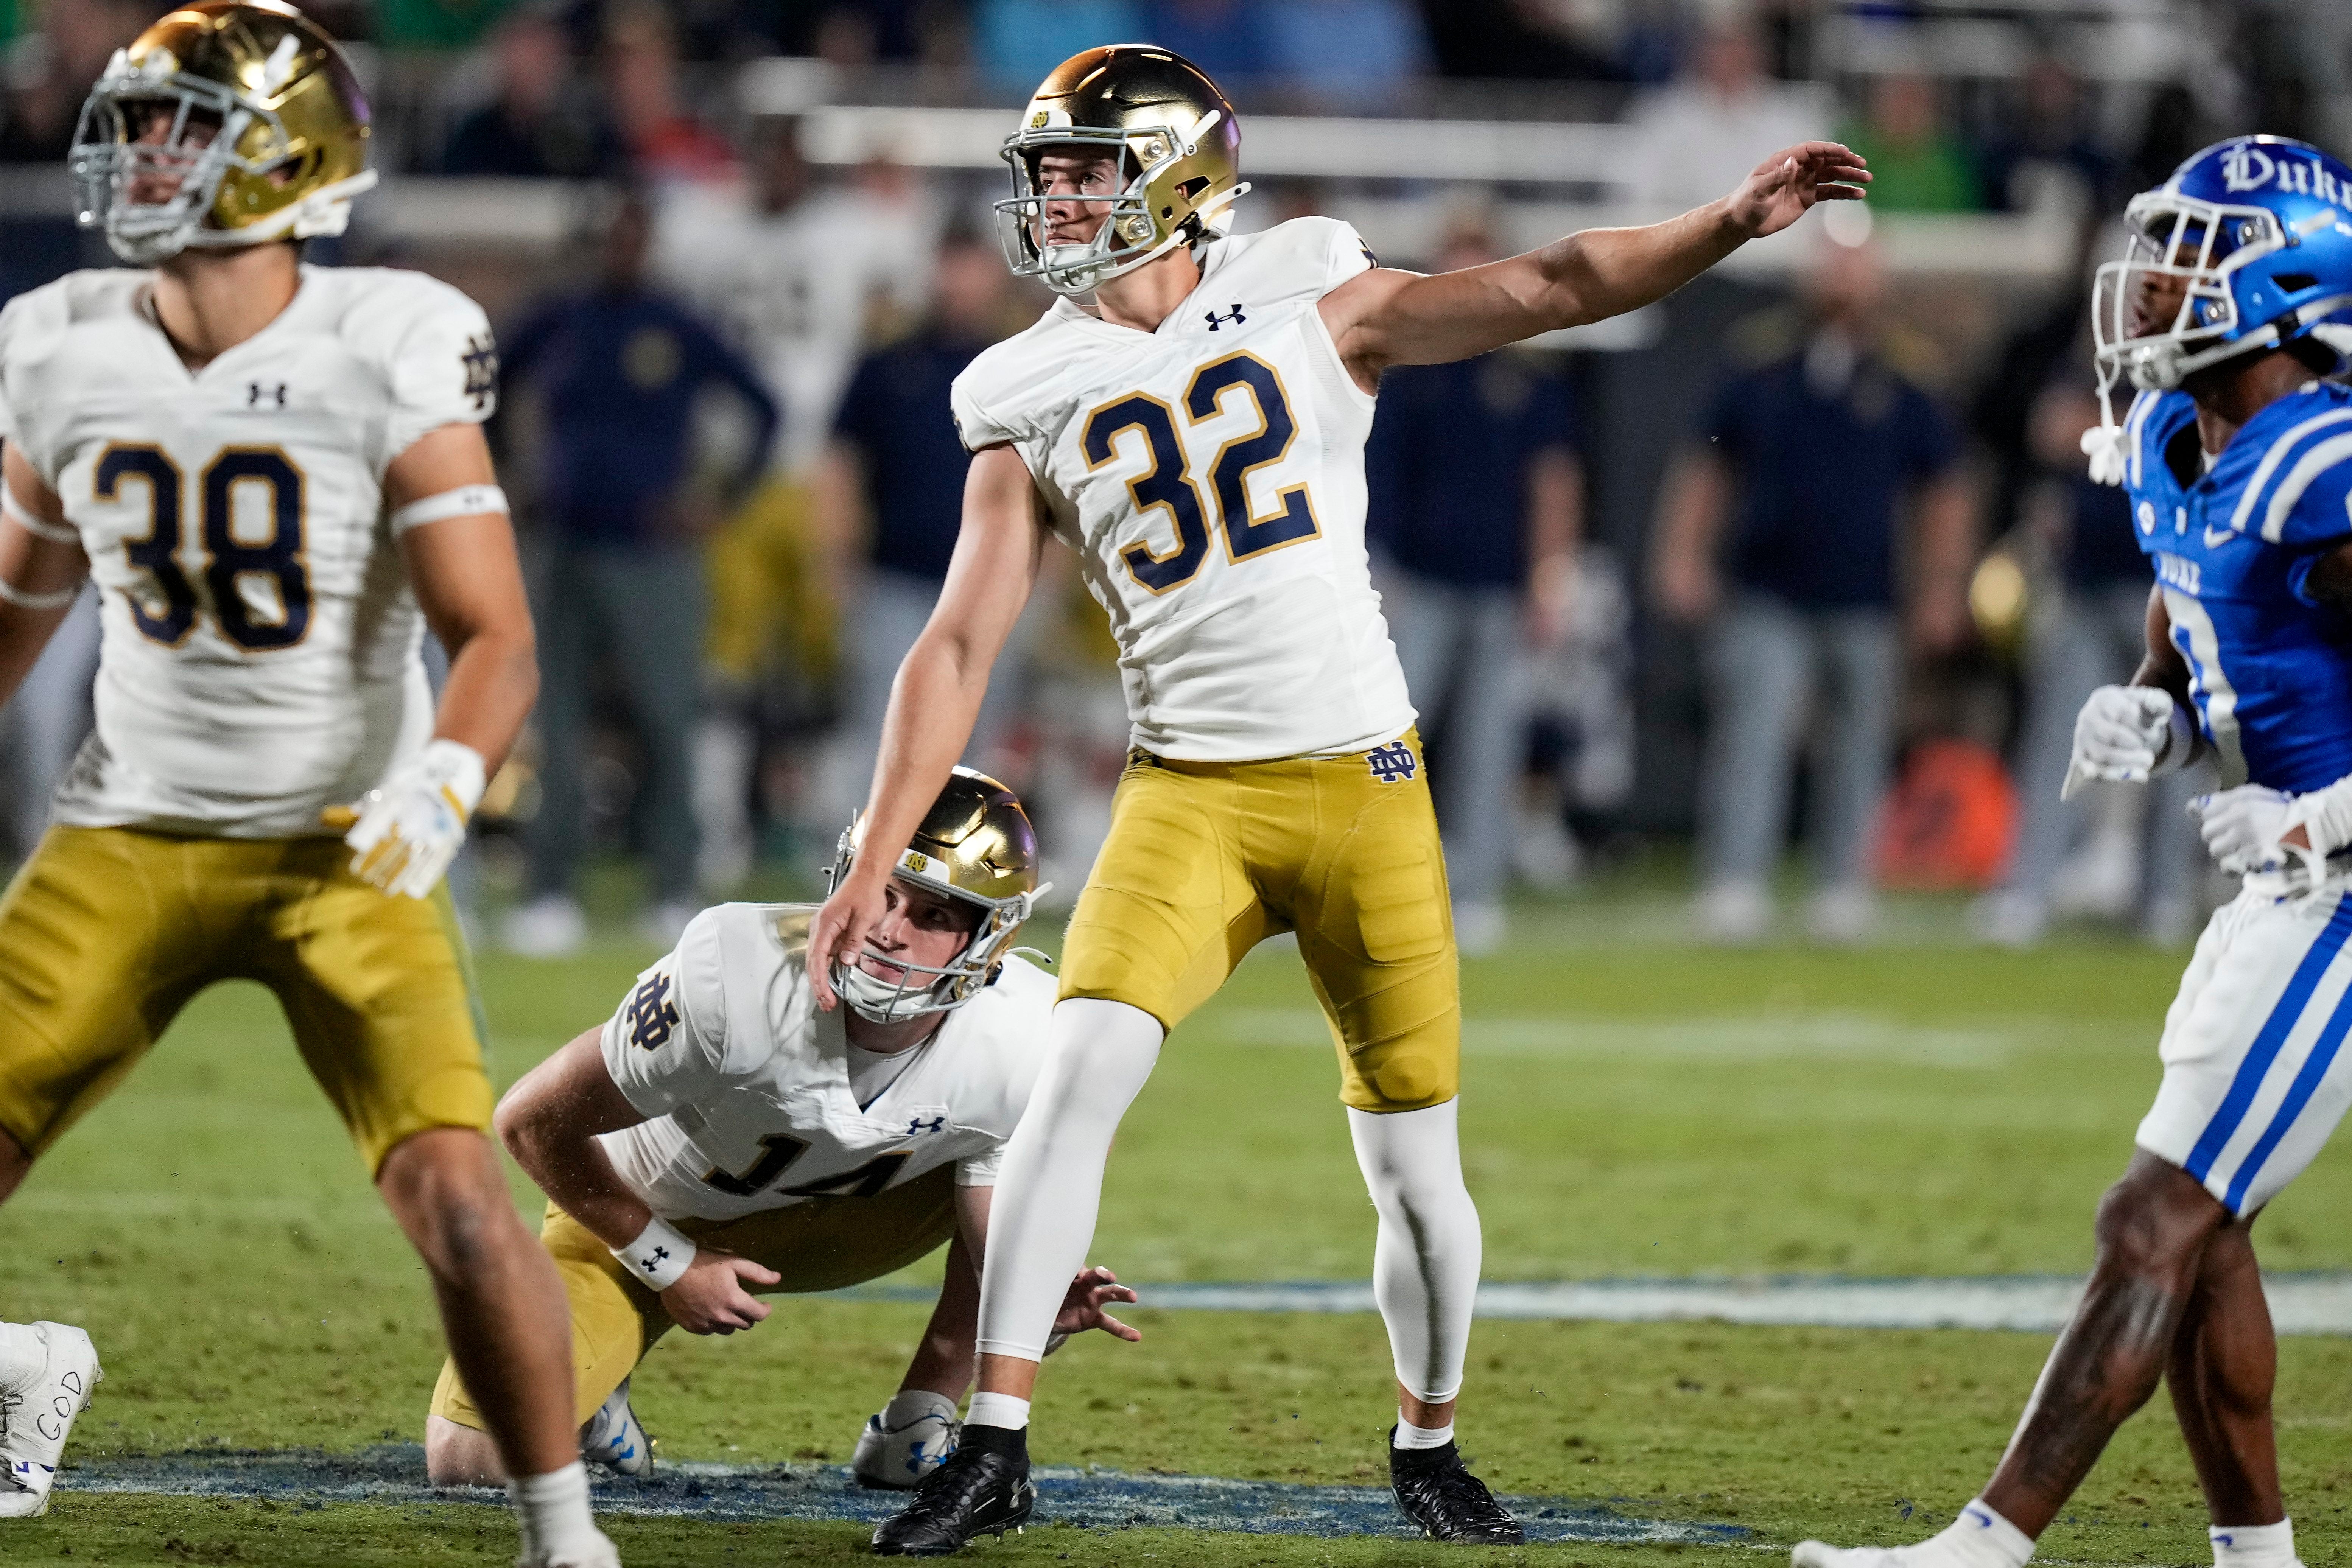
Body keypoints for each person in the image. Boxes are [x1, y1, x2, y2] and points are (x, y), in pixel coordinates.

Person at [806, 43, 1867, 1554]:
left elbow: (1556, 282)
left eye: (1085, 167)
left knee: (1416, 1168)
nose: (1054, 197)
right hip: (1188, 797)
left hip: (1365, 785)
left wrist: (1723, 224)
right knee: (1072, 1080)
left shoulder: (1307, 281)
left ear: (1172, 176)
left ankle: (1427, 1439)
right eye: (1045, 170)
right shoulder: (1022, 378)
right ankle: (995, 1440)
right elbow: (960, 638)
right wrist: (874, 847)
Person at [0, 5, 615, 1562]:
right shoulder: (58, 340)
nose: (140, 151)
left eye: (179, 125)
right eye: (136, 123)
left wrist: (446, 777)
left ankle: (564, 1534)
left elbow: (495, 633)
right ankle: (16, 1368)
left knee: (460, 1203)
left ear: (288, 157)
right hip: (127, 832)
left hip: (349, 841)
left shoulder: (387, 338)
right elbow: (19, 601)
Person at [1795, 133, 2352, 1568]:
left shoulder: (2323, 460)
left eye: (2191, 253)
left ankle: (1983, 1546)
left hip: (2339, 890)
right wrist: (2155, 714)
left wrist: (2316, 813)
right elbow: (2197, 617)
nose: (2153, 279)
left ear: (2282, 276)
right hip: (2279, 888)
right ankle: (2259, 1561)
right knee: (2203, 1227)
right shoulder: (2181, 435)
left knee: (2151, 1214)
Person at [425, 769, 1140, 1486]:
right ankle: (594, 1395)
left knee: (1030, 1175)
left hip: (854, 1223)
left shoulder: (1027, 1033)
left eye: (933, 916)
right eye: (882, 892)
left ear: (993, 937)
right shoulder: (738, 973)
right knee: (472, 1462)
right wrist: (668, 1260)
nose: (890, 932)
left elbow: (1006, 1241)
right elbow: (528, 1122)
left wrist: (1034, 1299)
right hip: (643, 1211)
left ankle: (918, 1421)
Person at [1652, 239, 1973, 946]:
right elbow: (1708, 466)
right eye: (1833, 261)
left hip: (1867, 592)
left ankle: (1843, 883)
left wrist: (1943, 587)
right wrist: (1683, 552)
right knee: (1755, 734)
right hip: (1769, 585)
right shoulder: (1760, 359)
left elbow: (1943, 491)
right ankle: (1737, 879)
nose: (1844, 277)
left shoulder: (1905, 371)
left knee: (1859, 742)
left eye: (1857, 262)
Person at [497, 190, 780, 957]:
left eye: (628, 236)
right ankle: (550, 891)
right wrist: (507, 476)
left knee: (666, 716)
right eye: (605, 236)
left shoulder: (675, 324)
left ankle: (673, 887)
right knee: (556, 722)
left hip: (654, 555)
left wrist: (715, 499)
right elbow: (483, 387)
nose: (617, 249)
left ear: (646, 243)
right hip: (562, 544)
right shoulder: (557, 318)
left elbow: (762, 406)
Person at [654, 117, 934, 886]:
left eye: (789, 158)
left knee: (831, 659)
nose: (776, 171)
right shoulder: (706, 226)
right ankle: (718, 827)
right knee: (724, 657)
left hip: (818, 467)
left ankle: (828, 823)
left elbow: (907, 275)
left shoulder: (852, 229)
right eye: (764, 156)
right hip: (731, 467)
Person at [1367, 222, 1582, 956]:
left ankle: (1478, 890)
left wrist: (1549, 580)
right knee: (1383, 740)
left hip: (1498, 587)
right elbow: (1369, 478)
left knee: (1491, 745)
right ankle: (1369, 884)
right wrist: (1376, 570)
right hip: (1415, 581)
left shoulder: (1525, 374)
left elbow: (1553, 481)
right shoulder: (1401, 368)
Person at [820, 232, 1030, 816]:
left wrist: (1052, 576)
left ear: (994, 278)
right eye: (950, 269)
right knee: (884, 719)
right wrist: (838, 561)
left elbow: (1059, 475)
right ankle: (861, 859)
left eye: (971, 270)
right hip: (896, 574)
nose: (959, 285)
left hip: (994, 580)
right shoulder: (889, 363)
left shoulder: (1025, 363)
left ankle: (955, 873)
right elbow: (840, 461)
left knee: (979, 730)